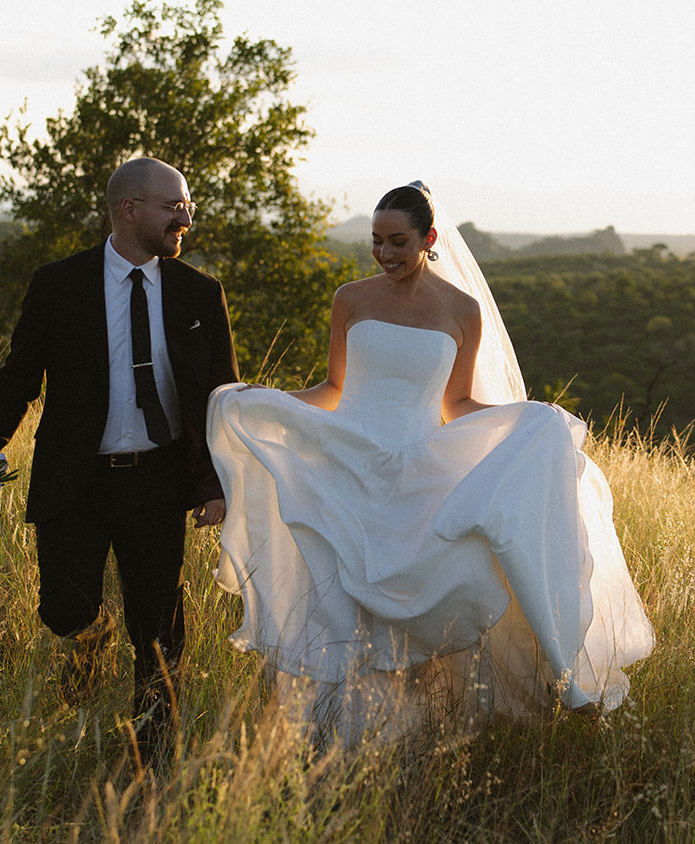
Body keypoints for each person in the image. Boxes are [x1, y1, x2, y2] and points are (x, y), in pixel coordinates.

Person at [207, 182, 654, 744]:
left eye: (398, 241)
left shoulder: (462, 311)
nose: (385, 254)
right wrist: (263, 400)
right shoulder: (352, 297)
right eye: (376, 241)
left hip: (416, 472)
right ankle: (336, 735)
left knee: (413, 596)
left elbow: (457, 404)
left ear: (429, 239)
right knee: (342, 596)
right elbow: (334, 387)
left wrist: (528, 421)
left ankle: (409, 731)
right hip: (347, 463)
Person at [0, 157, 239, 761]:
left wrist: (214, 482)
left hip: (160, 483)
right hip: (77, 482)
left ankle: (153, 758)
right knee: (66, 609)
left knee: (159, 633)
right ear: (129, 210)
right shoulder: (58, 285)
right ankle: (92, 639)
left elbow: (223, 399)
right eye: (173, 205)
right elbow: (18, 378)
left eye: (187, 204)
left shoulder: (199, 293)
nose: (185, 216)